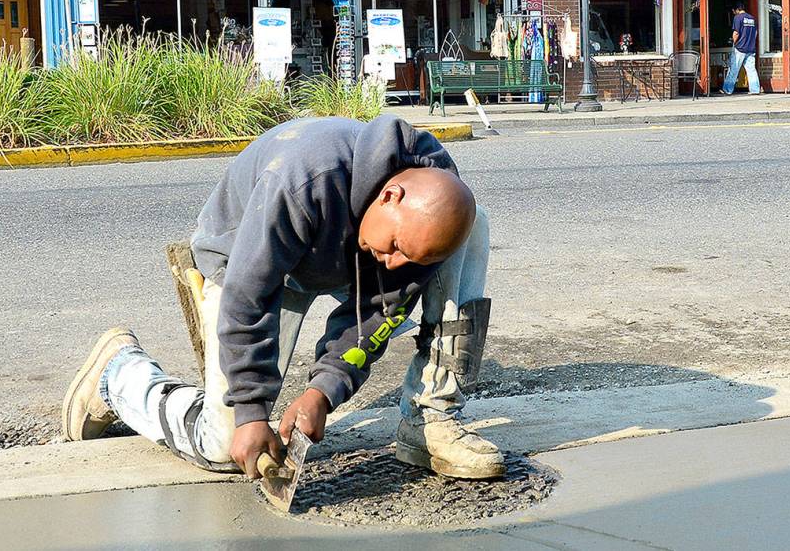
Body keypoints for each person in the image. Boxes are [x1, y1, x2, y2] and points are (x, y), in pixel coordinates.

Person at [62, 115, 504, 480]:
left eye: (405, 257)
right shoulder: (302, 182)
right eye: (394, 247)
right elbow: (248, 295)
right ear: (390, 195)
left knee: (472, 223)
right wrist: (252, 412)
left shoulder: (423, 215)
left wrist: (322, 392)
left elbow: (377, 312)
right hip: (245, 263)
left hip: (338, 254)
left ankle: (430, 417)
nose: (393, 263)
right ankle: (119, 372)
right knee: (225, 446)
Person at [721, 2, 760, 96]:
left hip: (740, 48)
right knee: (751, 70)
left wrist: (734, 43)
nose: (734, 13)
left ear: (737, 9)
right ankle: (755, 90)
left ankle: (727, 89)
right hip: (750, 48)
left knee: (733, 69)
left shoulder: (738, 18)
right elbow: (756, 33)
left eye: (734, 11)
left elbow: (736, 33)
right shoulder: (752, 18)